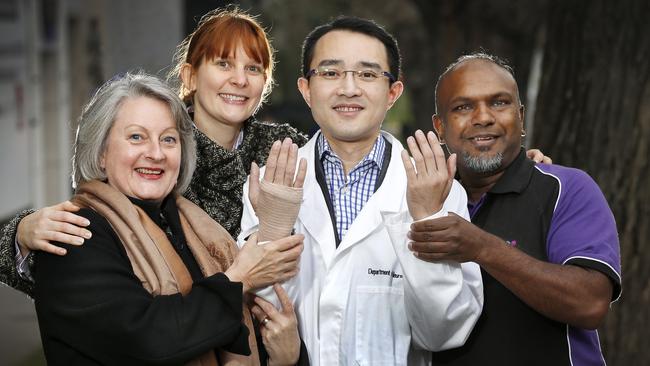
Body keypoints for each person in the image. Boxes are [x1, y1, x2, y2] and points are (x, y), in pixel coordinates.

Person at [0, 7, 306, 296]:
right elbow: (86, 245)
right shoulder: (152, 154)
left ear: (265, 84)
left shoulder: (285, 148)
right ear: (190, 76)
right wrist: (21, 233)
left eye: (253, 68)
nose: (239, 79)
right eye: (223, 64)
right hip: (170, 329)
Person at [239, 16, 483, 366]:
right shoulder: (271, 185)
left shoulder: (440, 190)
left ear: (393, 93)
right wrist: (274, 230)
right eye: (331, 73)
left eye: (368, 74)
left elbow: (442, 333)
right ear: (306, 89)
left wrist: (427, 218)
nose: (349, 88)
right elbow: (261, 316)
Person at [33, 72, 306, 365]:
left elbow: (236, 333)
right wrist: (241, 278)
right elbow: (147, 339)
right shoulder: (73, 234)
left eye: (168, 139)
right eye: (136, 137)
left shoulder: (195, 228)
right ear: (101, 152)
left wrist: (287, 358)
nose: (156, 153)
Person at [408, 53, 621, 365]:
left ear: (521, 117)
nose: (483, 117)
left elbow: (590, 304)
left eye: (498, 103)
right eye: (463, 107)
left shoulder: (567, 189)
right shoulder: (422, 201)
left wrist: (481, 247)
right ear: (440, 127)